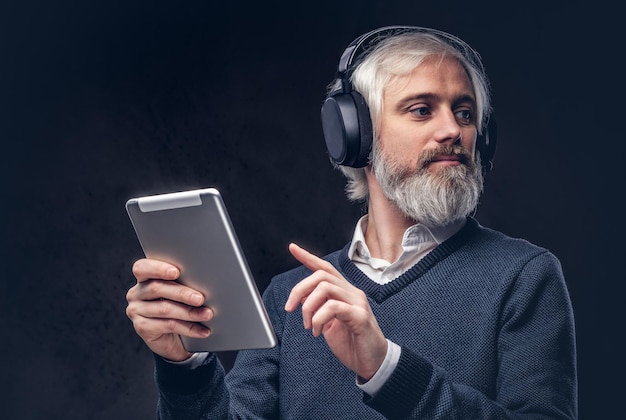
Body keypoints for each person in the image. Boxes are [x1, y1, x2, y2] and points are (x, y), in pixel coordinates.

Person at [125, 26, 577, 419]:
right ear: (355, 134)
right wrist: (185, 366)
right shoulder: (291, 295)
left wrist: (387, 369)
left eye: (464, 112)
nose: (453, 131)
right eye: (422, 109)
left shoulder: (524, 275)